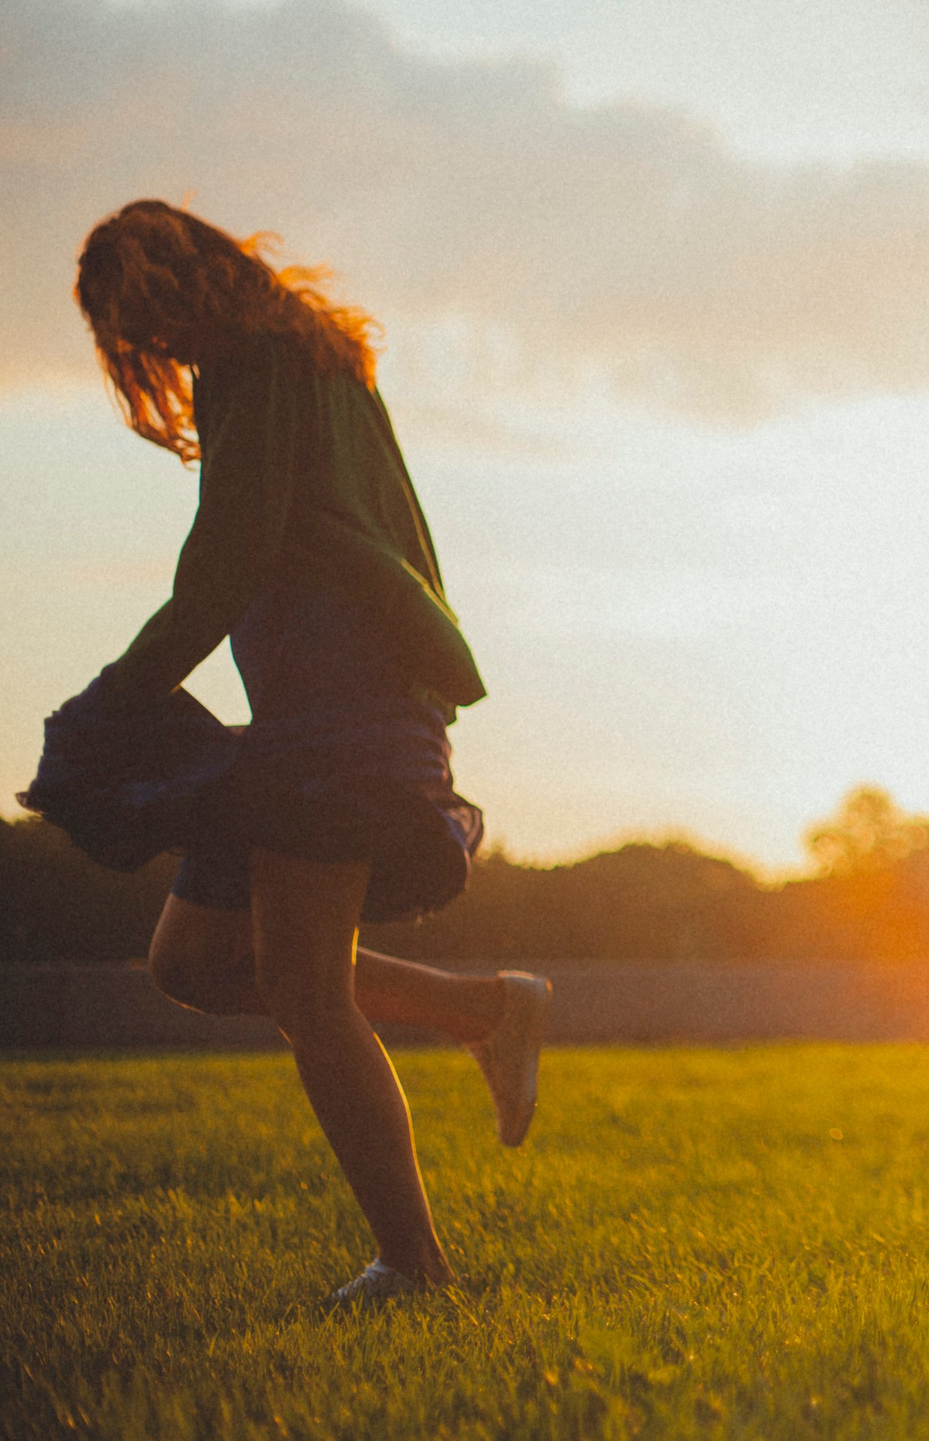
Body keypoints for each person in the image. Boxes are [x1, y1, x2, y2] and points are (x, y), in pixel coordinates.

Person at [23, 200, 547, 1308]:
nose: (143, 348)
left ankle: (414, 1270)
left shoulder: (258, 366)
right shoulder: (314, 355)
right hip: (322, 704)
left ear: (168, 290)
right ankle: (482, 1008)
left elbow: (227, 558)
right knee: (195, 964)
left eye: (132, 317)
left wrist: (119, 695)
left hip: (344, 710)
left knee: (308, 988)